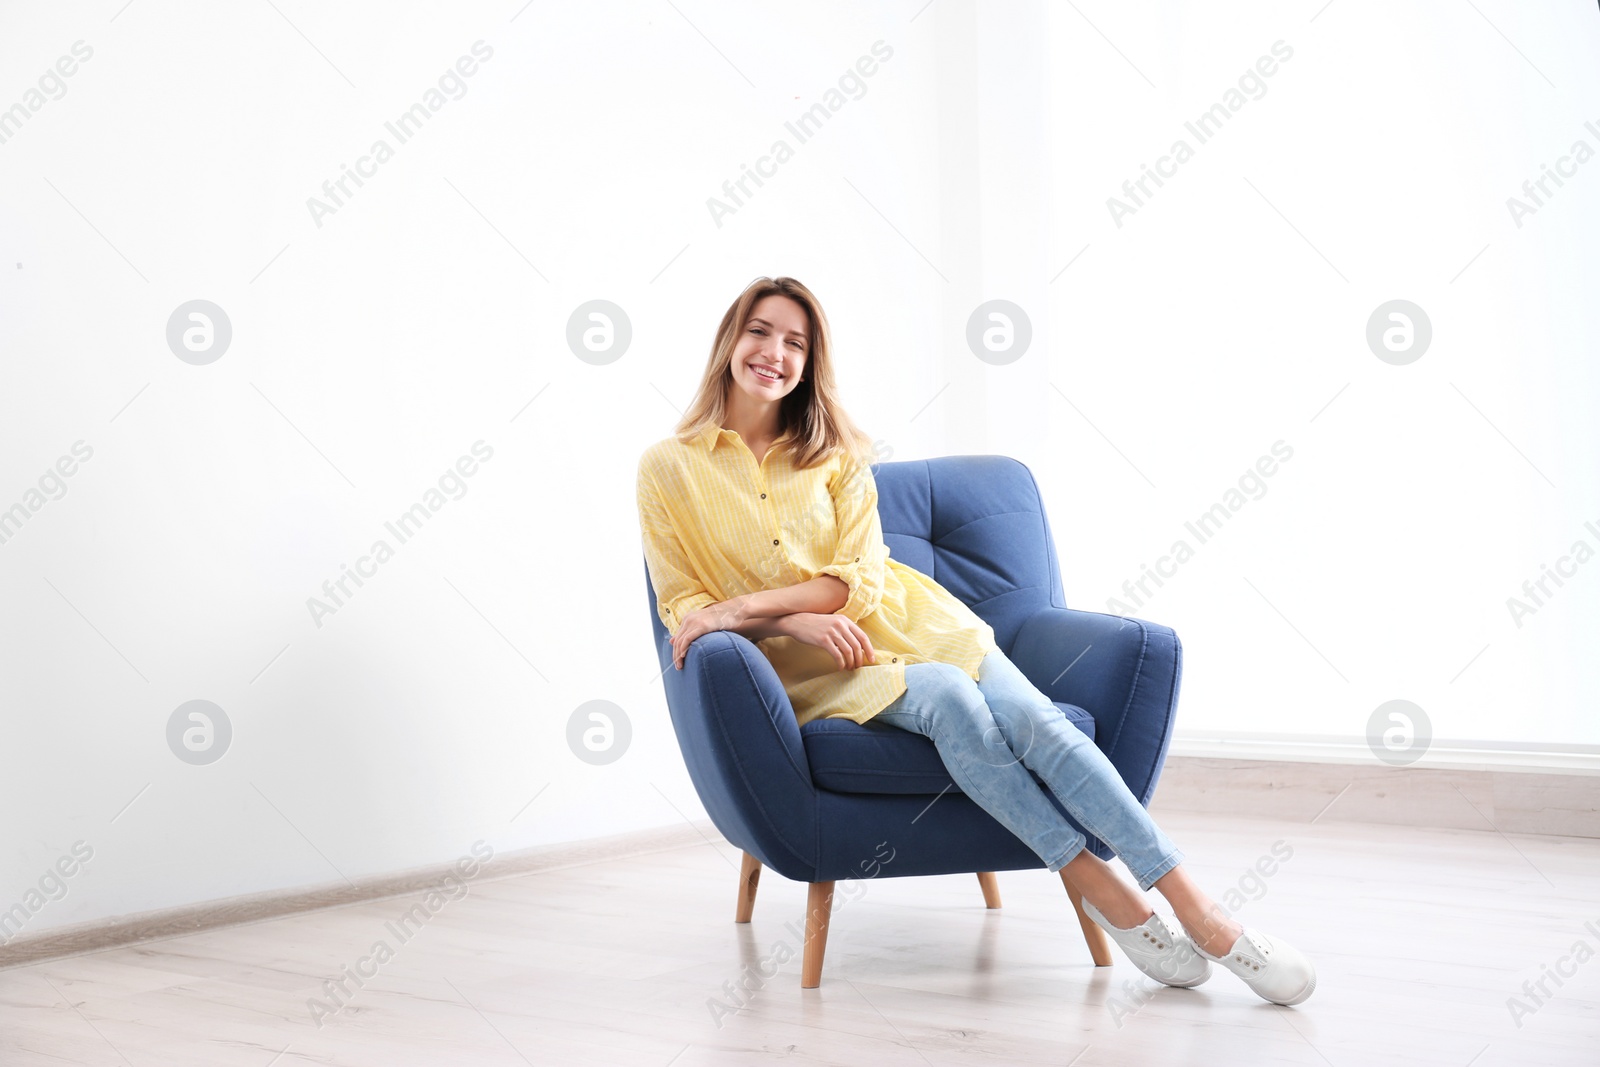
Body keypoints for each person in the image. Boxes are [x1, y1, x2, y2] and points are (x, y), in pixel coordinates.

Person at [635, 276, 1316, 1006]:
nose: (774, 353)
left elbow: (858, 582)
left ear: (811, 363)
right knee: (953, 700)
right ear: (729, 341)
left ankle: (1198, 909)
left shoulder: (837, 459)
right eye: (760, 332)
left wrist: (748, 606)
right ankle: (1100, 887)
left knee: (1033, 719)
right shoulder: (667, 469)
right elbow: (685, 606)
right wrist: (790, 622)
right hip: (823, 673)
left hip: (920, 624)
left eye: (795, 343)